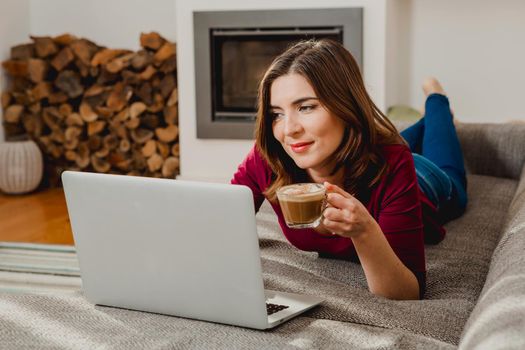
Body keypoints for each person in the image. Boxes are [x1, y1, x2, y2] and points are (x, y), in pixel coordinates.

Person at [231, 39, 467, 300]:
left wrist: (365, 231)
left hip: (425, 182)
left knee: (448, 170)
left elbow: (407, 292)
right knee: (393, 139)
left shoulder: (394, 162)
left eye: (306, 107)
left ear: (345, 107)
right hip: (363, 146)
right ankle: (421, 123)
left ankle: (436, 100)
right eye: (277, 114)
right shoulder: (270, 156)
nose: (288, 130)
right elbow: (220, 222)